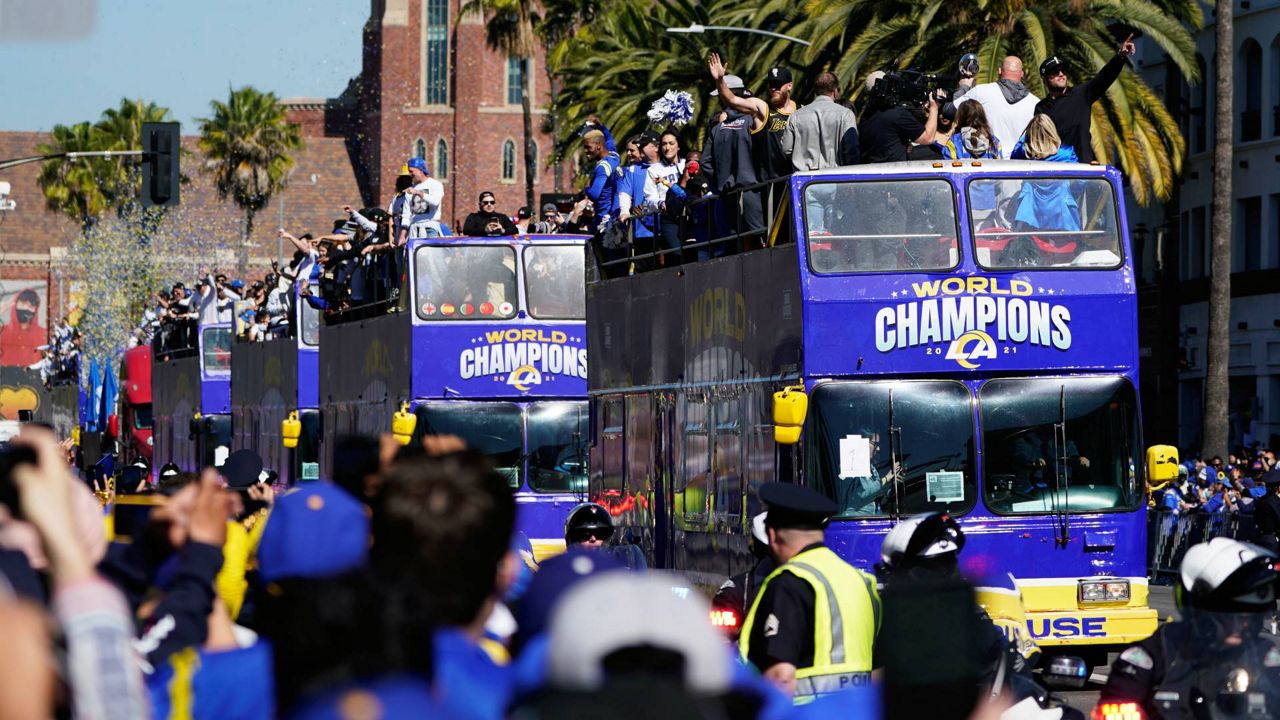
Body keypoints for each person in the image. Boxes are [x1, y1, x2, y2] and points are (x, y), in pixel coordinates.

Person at [1098, 538, 1280, 717]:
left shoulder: (1263, 656)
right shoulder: (1148, 657)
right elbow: (1115, 706)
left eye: (1252, 615)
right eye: (1233, 614)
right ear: (1202, 610)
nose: (1244, 624)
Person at [739, 482, 880, 703]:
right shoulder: (862, 581)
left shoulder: (789, 582)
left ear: (773, 536)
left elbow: (781, 677)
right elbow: (877, 672)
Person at [1035, 35, 1136, 165]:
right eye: (1054, 71)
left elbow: (1104, 77)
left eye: (1063, 70)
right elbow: (1038, 142)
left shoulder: (1080, 94)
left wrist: (1120, 56)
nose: (1061, 74)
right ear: (1045, 79)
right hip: (1056, 172)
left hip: (1082, 169)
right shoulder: (1041, 108)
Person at [706, 54, 796, 185]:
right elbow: (732, 99)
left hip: (796, 180)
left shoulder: (801, 111)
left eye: (778, 84)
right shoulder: (763, 109)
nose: (773, 89)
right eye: (771, 85)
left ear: (789, 86)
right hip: (772, 184)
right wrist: (719, 80)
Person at [700, 74, 763, 251]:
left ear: (730, 93)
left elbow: (705, 163)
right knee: (760, 242)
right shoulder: (754, 121)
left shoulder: (718, 128)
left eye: (720, 94)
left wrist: (722, 178)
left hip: (726, 195)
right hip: (753, 193)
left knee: (733, 246)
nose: (719, 100)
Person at [955, 56, 1040, 159]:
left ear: (999, 71)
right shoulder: (1035, 102)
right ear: (1022, 74)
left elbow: (952, 109)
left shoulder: (981, 92)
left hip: (990, 160)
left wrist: (964, 87)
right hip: (1022, 164)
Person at [783, 71, 859, 172]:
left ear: (815, 90)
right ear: (835, 91)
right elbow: (851, 150)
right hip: (834, 178)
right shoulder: (845, 114)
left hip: (804, 181)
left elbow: (786, 148)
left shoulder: (796, 116)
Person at [857, 75, 939, 163]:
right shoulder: (897, 114)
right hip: (893, 172)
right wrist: (934, 108)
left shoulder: (866, 115)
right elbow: (928, 138)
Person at [582, 128, 624, 276]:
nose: (586, 152)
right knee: (618, 263)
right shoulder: (614, 157)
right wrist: (601, 125)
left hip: (603, 223)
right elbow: (611, 141)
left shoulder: (602, 167)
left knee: (607, 265)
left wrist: (585, 189)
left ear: (599, 146)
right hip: (615, 218)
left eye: (588, 148)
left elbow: (595, 194)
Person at [397, 156, 445, 243]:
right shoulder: (410, 189)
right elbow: (406, 215)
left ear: (420, 170)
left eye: (411, 171)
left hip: (430, 228)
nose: (410, 174)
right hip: (414, 229)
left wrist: (418, 192)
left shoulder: (435, 184)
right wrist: (402, 235)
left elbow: (435, 202)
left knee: (431, 255)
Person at [1010, 113, 1077, 162]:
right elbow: (1079, 179)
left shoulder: (1021, 152)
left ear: (1029, 133)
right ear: (1052, 131)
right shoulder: (1067, 153)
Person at [1251, 470, 1280, 551]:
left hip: (1259, 537)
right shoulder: (1275, 502)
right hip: (1272, 541)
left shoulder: (1261, 500)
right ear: (1278, 487)